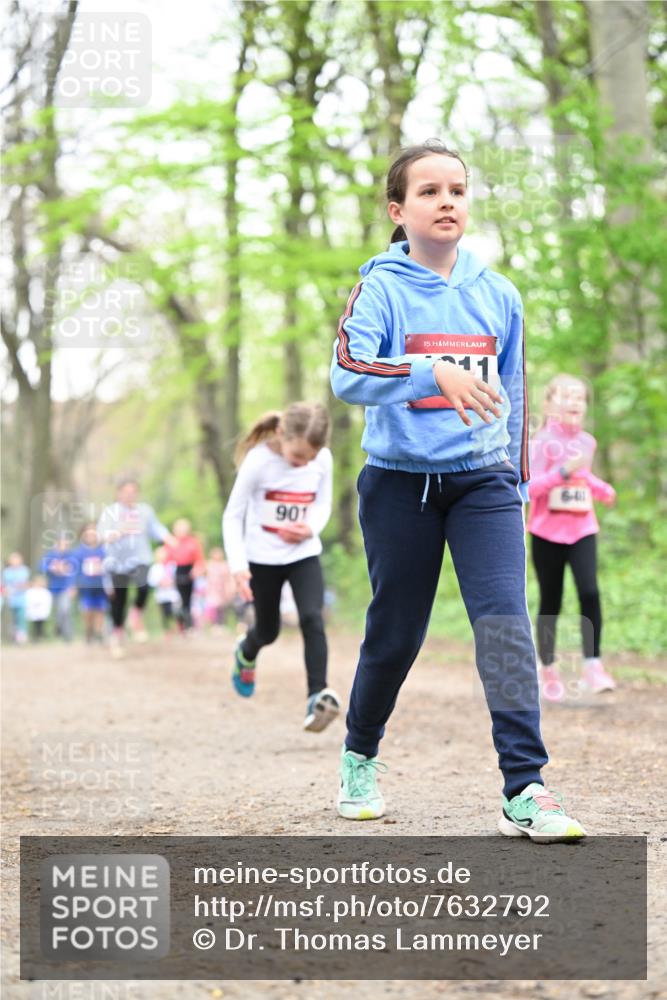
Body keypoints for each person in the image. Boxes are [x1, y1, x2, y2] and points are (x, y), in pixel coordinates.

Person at [330, 139, 585, 841]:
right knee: (395, 632)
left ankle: (525, 788)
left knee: (503, 624)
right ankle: (358, 755)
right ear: (398, 208)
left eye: (457, 190)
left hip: (484, 485)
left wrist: (515, 477)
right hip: (397, 485)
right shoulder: (379, 287)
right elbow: (348, 374)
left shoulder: (496, 292)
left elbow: (514, 389)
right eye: (429, 191)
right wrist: (429, 373)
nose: (446, 202)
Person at [222, 402, 340, 733]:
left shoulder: (323, 459)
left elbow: (323, 502)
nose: (304, 464)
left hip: (303, 553)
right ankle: (246, 651)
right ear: (280, 435)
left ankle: (317, 696)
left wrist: (311, 527)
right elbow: (233, 515)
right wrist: (238, 565)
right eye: (298, 456)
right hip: (262, 558)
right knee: (269, 630)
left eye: (311, 458)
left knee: (312, 618)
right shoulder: (258, 461)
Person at [527, 374, 616, 701]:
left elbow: (582, 475)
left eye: (580, 397)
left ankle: (593, 665)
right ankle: (547, 669)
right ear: (549, 403)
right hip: (546, 531)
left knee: (589, 591)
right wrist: (562, 472)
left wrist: (601, 488)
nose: (575, 402)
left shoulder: (588, 443)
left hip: (582, 528)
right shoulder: (539, 442)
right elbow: (531, 488)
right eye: (567, 396)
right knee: (552, 598)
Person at [97, 478, 174, 658]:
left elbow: (156, 528)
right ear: (118, 493)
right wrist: (118, 532)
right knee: (119, 601)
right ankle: (117, 635)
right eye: (126, 492)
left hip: (141, 558)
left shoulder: (145, 511)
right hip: (117, 562)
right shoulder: (110, 512)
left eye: (133, 492)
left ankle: (136, 614)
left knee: (144, 587)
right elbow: (101, 535)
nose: (130, 495)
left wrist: (169, 538)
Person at [165, 519, 205, 632]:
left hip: (189, 572)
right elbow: (166, 561)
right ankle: (179, 624)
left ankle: (188, 626)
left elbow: (199, 559)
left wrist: (196, 570)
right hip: (176, 571)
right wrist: (167, 575)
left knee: (188, 600)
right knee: (177, 599)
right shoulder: (171, 542)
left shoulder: (193, 542)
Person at [72, 523, 108, 643]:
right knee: (87, 610)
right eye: (88, 532)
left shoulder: (103, 550)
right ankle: (89, 630)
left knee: (100, 609)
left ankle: (98, 632)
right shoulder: (78, 552)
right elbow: (74, 570)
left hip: (100, 585)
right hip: (85, 586)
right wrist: (73, 586)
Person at [40, 537, 77, 641]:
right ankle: (58, 628)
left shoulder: (71, 557)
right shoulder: (50, 556)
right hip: (52, 588)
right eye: (61, 544)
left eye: (65, 545)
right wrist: (52, 568)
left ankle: (68, 636)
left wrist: (72, 586)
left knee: (65, 610)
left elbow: (74, 573)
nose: (63, 547)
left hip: (65, 588)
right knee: (56, 612)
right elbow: (41, 567)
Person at [147, 546, 180, 633]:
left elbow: (178, 578)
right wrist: (160, 582)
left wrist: (172, 582)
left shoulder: (172, 565)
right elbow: (151, 581)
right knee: (165, 614)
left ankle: (179, 628)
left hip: (173, 594)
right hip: (161, 596)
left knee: (176, 611)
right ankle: (167, 630)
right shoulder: (155, 568)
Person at [204, 547, 237, 629]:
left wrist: (229, 588)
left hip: (222, 589)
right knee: (213, 607)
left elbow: (228, 578)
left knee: (221, 607)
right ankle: (214, 624)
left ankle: (222, 624)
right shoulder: (209, 564)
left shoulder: (224, 565)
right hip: (212, 590)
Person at [2, 552, 29, 643]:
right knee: (13, 620)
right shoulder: (7, 572)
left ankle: (22, 636)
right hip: (11, 599)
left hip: (21, 599)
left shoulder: (24, 570)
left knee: (21, 618)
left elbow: (23, 584)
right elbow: (6, 585)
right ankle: (13, 636)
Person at [25, 575, 53, 641]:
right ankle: (35, 636)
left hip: (42, 611)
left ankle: (40, 636)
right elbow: (28, 600)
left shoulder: (45, 592)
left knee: (41, 624)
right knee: (35, 625)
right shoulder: (30, 592)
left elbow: (47, 602)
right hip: (33, 611)